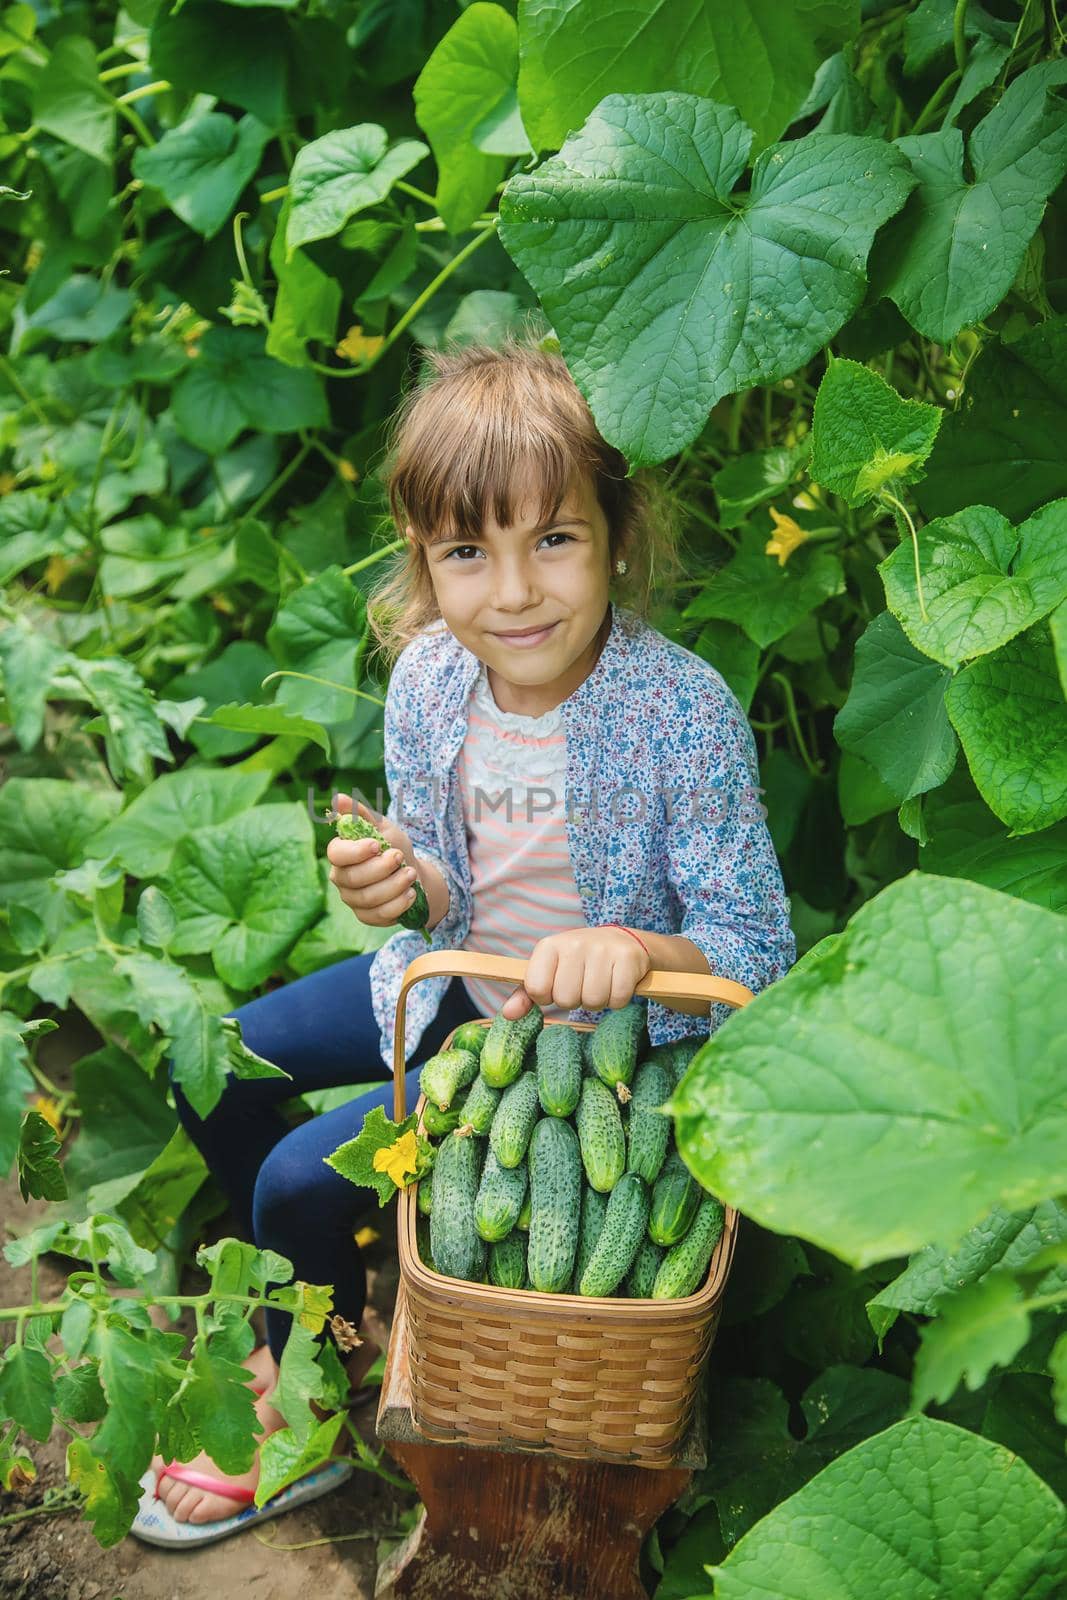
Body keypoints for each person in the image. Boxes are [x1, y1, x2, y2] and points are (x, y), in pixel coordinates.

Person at [136, 331, 796, 1541]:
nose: (513, 591)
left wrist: (639, 952)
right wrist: (400, 881)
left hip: (594, 1048)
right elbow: (452, 881)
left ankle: (306, 1416)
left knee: (293, 1177)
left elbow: (755, 949)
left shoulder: (679, 711)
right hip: (457, 980)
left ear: (615, 531)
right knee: (218, 1063)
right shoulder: (432, 676)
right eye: (465, 553)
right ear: (422, 562)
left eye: (551, 538)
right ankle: (318, 1309)